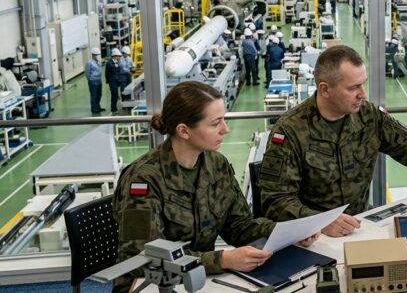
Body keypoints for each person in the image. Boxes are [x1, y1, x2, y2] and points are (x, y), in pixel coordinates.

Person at [259, 45, 407, 237]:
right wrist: (319, 223)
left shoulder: (368, 116)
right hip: (311, 239)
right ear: (325, 89)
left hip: (360, 229)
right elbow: (275, 201)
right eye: (353, 87)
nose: (363, 93)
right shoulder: (290, 131)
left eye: (363, 83)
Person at [112, 81, 317, 293]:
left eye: (224, 120)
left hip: (201, 281)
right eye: (215, 123)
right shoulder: (143, 180)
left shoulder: (216, 165)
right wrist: (221, 259)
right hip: (150, 286)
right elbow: (143, 256)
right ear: (184, 130)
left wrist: (285, 233)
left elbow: (238, 225)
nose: (225, 129)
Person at [85, 47, 103, 114]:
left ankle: (98, 107)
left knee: (99, 95)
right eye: (96, 55)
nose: (97, 56)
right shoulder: (89, 63)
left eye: (98, 54)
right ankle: (94, 109)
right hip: (93, 82)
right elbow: (87, 73)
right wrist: (90, 80)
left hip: (99, 81)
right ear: (92, 55)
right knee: (94, 95)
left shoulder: (98, 62)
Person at [105, 48, 122, 113]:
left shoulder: (116, 63)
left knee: (116, 95)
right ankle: (113, 109)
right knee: (114, 95)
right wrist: (108, 81)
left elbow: (118, 72)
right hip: (112, 82)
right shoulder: (109, 64)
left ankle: (114, 108)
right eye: (118, 56)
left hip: (116, 82)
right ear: (114, 56)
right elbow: (107, 73)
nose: (119, 57)